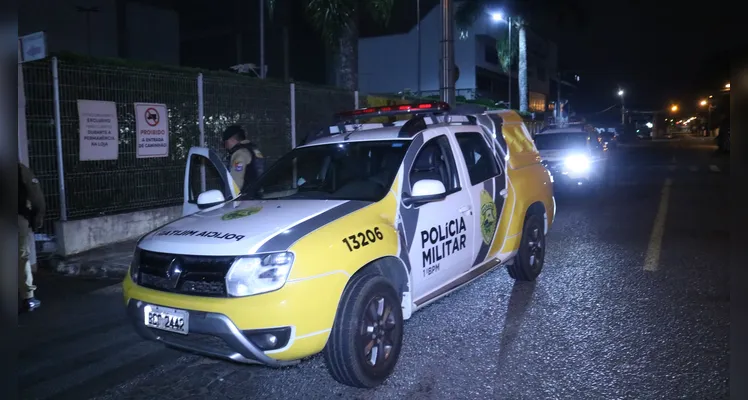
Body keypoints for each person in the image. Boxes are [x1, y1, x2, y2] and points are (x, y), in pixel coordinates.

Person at [18, 161, 45, 312]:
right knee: (21, 257)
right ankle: (28, 298)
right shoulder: (19, 169)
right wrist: (37, 218)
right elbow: (36, 197)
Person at [222, 124, 266, 193]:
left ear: (232, 140)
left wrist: (230, 195)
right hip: (260, 195)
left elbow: (236, 183)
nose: (226, 146)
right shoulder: (254, 150)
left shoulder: (240, 154)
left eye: (226, 142)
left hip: (246, 199)